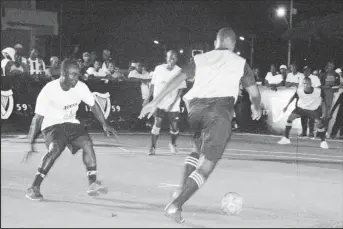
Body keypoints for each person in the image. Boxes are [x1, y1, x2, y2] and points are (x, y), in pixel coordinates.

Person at [139, 27, 262, 223]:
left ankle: (180, 189)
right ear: (233, 44)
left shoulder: (200, 59)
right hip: (219, 112)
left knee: (196, 151)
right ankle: (176, 206)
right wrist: (257, 107)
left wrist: (155, 101)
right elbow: (254, 93)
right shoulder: (241, 63)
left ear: (216, 42)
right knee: (206, 166)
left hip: (195, 110)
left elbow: (177, 78)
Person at [23, 59, 117, 201]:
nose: (76, 78)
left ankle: (92, 185)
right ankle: (34, 187)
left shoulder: (81, 87)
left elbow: (93, 105)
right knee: (55, 149)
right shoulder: (49, 89)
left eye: (78, 74)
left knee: (87, 144)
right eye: (73, 74)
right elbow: (37, 118)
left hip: (71, 122)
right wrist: (30, 142)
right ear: (63, 74)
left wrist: (105, 124)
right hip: (52, 125)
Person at [144, 50, 187, 155]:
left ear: (176, 59)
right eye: (169, 58)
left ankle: (172, 144)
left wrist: (173, 103)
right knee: (157, 123)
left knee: (174, 127)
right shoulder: (158, 69)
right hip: (159, 102)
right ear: (166, 58)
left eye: (173, 58)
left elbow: (181, 89)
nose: (170, 60)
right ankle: (152, 147)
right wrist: (148, 98)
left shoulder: (180, 71)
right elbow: (152, 85)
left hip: (173, 102)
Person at [278, 77, 329, 149]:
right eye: (304, 83)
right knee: (290, 118)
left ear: (311, 84)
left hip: (313, 109)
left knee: (319, 123)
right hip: (301, 108)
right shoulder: (299, 90)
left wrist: (324, 113)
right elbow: (293, 97)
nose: (306, 85)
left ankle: (323, 142)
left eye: (307, 83)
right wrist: (286, 106)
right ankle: (286, 138)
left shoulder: (319, 91)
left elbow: (323, 102)